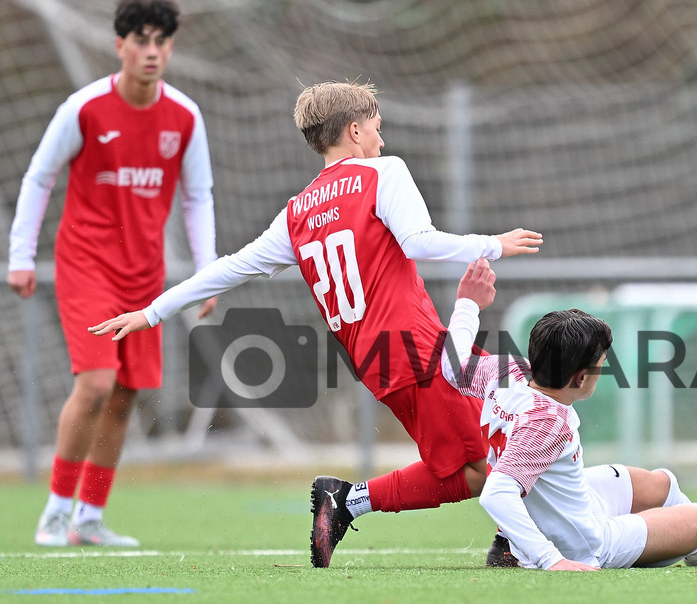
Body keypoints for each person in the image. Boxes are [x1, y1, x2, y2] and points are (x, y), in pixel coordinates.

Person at [87, 80, 543, 565]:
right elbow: (418, 242)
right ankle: (355, 504)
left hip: (381, 360)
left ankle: (504, 538)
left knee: (524, 396)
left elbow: (229, 267)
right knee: (481, 466)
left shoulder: (297, 212)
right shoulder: (383, 173)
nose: (381, 140)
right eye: (376, 128)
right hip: (417, 352)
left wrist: (152, 311)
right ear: (353, 129)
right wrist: (491, 244)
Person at [8, 0, 219, 548]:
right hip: (86, 267)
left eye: (161, 42)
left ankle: (89, 519)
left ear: (171, 47)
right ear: (119, 44)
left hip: (145, 275)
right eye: (141, 40)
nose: (151, 52)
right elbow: (38, 177)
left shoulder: (185, 117)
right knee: (96, 383)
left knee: (125, 392)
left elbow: (198, 198)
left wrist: (207, 273)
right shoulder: (84, 109)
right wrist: (20, 255)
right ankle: (54, 513)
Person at [440, 259, 697, 570]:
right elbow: (497, 493)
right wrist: (551, 560)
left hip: (574, 506)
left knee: (661, 483)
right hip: (583, 543)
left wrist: (468, 304)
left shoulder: (507, 371)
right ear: (580, 378)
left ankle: (689, 540)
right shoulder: (547, 421)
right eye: (600, 365)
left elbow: (452, 367)